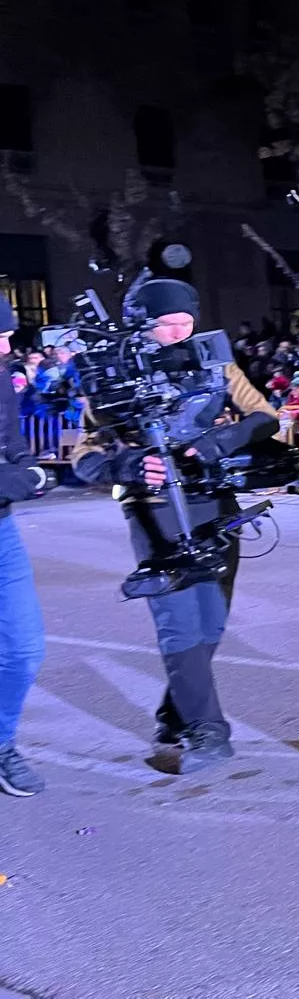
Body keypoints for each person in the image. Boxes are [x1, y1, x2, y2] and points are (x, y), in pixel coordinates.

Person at [71, 278, 281, 773]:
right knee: (180, 618)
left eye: (188, 321)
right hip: (154, 508)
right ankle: (207, 731)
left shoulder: (213, 359)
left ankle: (176, 712)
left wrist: (217, 443)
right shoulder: (113, 371)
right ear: (143, 325)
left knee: (212, 620)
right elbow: (84, 456)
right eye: (169, 324)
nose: (181, 332)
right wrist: (127, 465)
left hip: (214, 500)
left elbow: (264, 416)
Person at [0, 296, 52, 796]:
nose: (6, 347)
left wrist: (29, 468)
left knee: (25, 649)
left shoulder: (1, 376)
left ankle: (0, 745)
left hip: (2, 533)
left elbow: (12, 440)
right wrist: (13, 480)